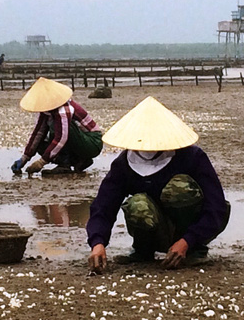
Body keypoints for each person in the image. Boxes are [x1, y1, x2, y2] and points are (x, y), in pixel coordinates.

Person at [87, 96, 230, 273]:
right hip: (155, 228)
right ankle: (143, 249)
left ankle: (194, 250)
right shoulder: (124, 164)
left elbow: (216, 206)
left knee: (178, 188)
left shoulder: (191, 157)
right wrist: (97, 242)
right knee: (138, 203)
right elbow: (103, 207)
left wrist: (189, 240)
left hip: (191, 232)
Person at [11, 77, 103, 176]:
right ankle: (79, 161)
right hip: (78, 141)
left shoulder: (64, 109)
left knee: (59, 128)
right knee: (41, 143)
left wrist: (41, 162)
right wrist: (25, 158)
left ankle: (64, 164)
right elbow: (38, 133)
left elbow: (62, 138)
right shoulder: (46, 112)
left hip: (92, 142)